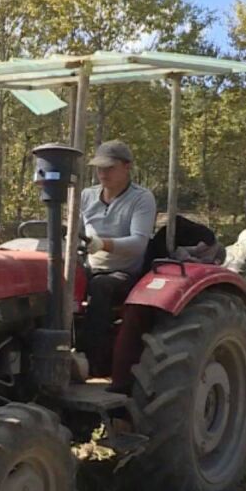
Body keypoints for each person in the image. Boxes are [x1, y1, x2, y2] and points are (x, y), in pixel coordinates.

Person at [80, 140, 156, 374]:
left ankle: (96, 364)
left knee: (100, 286)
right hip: (87, 264)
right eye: (99, 168)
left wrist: (103, 244)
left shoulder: (141, 198)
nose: (103, 173)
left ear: (127, 167)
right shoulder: (86, 195)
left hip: (124, 272)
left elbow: (138, 243)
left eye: (109, 167)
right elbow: (75, 232)